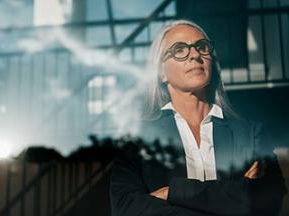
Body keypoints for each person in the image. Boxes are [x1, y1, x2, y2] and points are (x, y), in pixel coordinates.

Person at [110, 20, 287, 216]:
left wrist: (174, 192)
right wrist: (232, 198)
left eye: (202, 47)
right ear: (161, 73)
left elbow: (267, 199)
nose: (195, 55)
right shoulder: (136, 139)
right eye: (179, 50)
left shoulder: (252, 134)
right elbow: (126, 209)